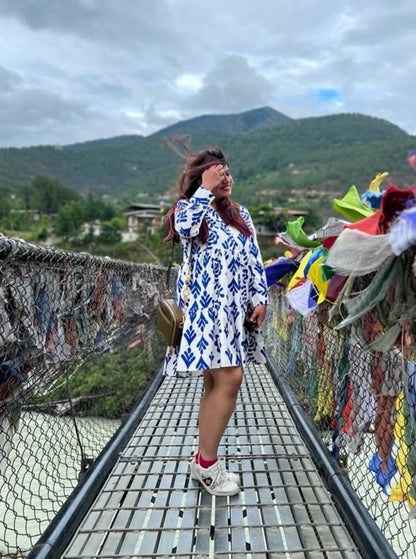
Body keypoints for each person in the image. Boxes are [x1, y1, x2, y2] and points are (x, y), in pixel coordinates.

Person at [164, 146, 268, 496]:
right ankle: (208, 466)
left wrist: (261, 296)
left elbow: (254, 258)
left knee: (215, 383)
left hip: (233, 313)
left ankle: (202, 461)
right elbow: (184, 228)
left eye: (228, 173)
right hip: (205, 312)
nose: (226, 179)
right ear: (202, 179)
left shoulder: (241, 214)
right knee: (231, 378)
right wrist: (204, 191)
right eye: (218, 173)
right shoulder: (190, 209)